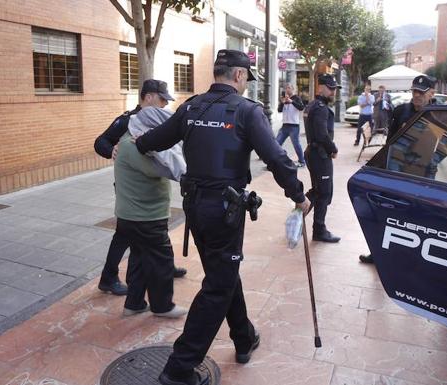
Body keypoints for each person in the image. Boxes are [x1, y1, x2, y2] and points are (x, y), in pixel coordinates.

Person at [135, 49, 311, 385]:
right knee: (218, 284)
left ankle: (244, 337)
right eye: (247, 79)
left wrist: (132, 142)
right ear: (240, 75)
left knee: (223, 270)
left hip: (195, 208)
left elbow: (154, 140)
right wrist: (299, 195)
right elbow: (276, 158)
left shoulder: (191, 106)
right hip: (224, 212)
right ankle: (179, 368)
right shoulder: (246, 111)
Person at [94, 79, 187, 296]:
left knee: (157, 227)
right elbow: (100, 142)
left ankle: (166, 266)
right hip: (133, 188)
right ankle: (108, 277)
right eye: (162, 99)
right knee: (125, 233)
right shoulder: (127, 121)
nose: (165, 104)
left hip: (152, 186)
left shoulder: (160, 120)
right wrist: (112, 150)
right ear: (148, 96)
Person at [114, 105, 188, 319]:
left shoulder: (132, 141)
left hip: (135, 215)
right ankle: (163, 306)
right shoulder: (132, 145)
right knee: (162, 261)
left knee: (139, 259)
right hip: (144, 216)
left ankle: (134, 303)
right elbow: (166, 170)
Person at [359, 74, 437, 264]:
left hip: (423, 173)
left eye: (421, 92)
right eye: (415, 91)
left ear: (431, 93)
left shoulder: (438, 113)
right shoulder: (401, 111)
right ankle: (378, 252)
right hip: (399, 171)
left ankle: (410, 256)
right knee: (388, 213)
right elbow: (390, 141)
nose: (417, 95)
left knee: (418, 217)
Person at [303, 73, 341, 243]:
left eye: (334, 89)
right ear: (321, 87)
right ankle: (319, 230)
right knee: (324, 192)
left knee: (318, 191)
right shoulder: (320, 108)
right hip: (319, 155)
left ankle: (296, 219)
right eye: (331, 88)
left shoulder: (312, 105)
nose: (333, 92)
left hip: (314, 153)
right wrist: (332, 149)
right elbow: (321, 134)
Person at [276, 83, 306, 167]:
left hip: (294, 126)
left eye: (289, 88)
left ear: (293, 89)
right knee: (276, 143)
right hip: (285, 125)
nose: (287, 89)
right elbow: (279, 110)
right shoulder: (284, 99)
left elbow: (301, 107)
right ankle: (277, 160)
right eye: (286, 88)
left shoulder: (297, 98)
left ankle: (302, 161)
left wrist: (291, 101)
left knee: (296, 144)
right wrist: (282, 102)